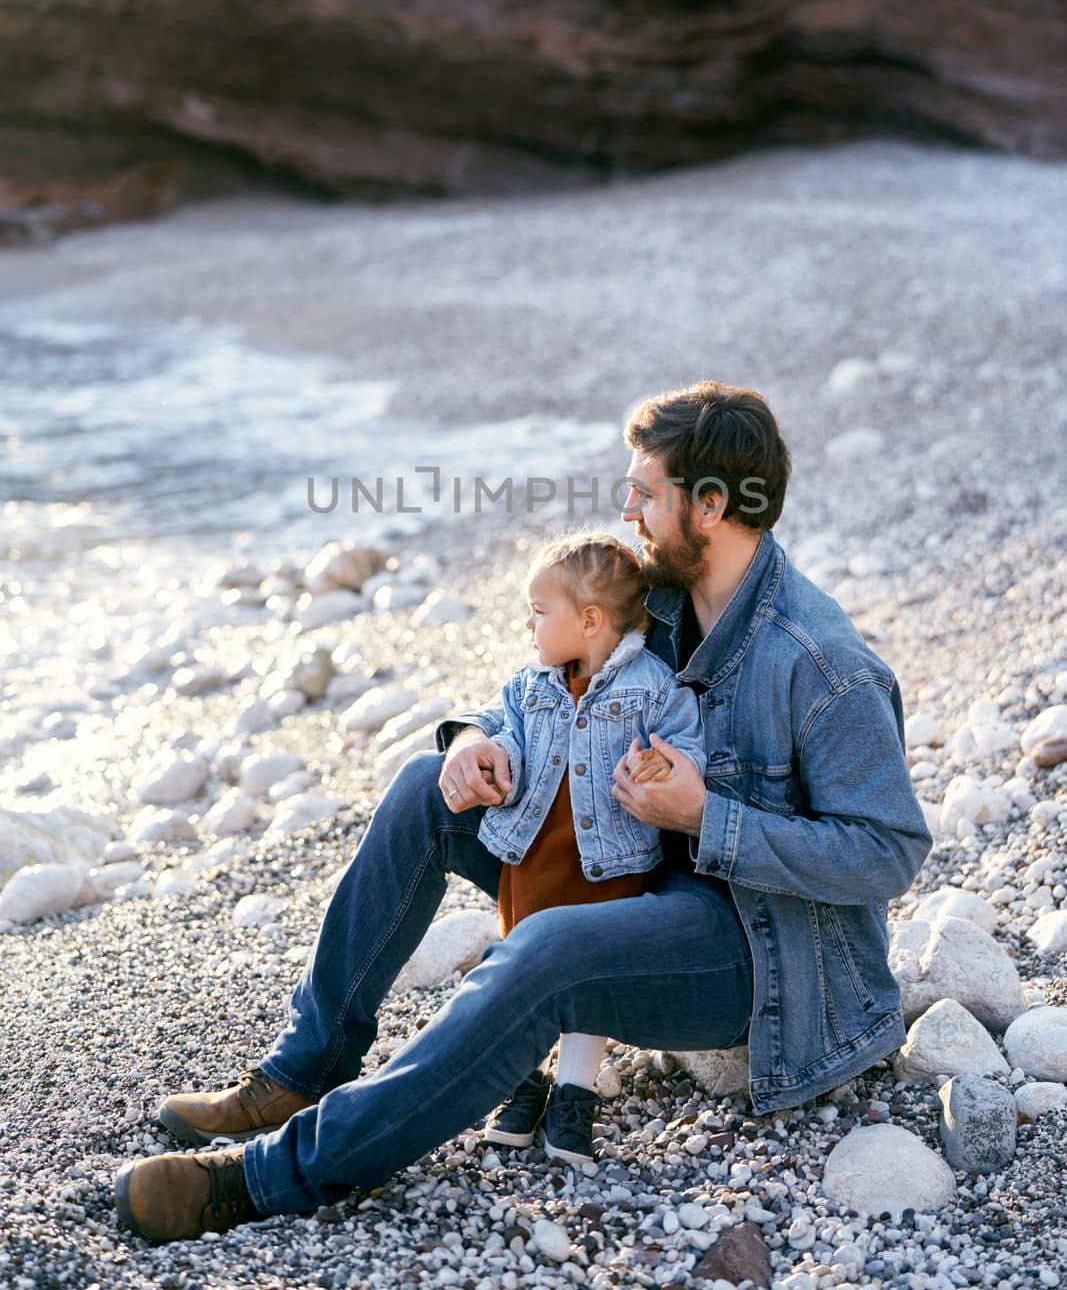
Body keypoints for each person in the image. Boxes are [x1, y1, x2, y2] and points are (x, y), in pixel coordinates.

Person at [115, 379, 934, 1243]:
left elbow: (888, 852)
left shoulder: (821, 661)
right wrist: (476, 740)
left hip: (755, 949)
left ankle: (274, 1176)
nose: (627, 510)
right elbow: (536, 690)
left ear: (711, 505)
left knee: (546, 951)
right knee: (420, 787)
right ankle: (303, 1068)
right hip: (627, 864)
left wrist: (705, 817)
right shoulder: (648, 598)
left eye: (644, 493)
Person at [471, 528, 706, 1169]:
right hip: (534, 854)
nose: (528, 624)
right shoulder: (531, 681)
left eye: (540, 612)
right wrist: (484, 749)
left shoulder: (652, 684)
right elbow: (498, 726)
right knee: (521, 959)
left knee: (586, 981)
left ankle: (574, 1098)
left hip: (609, 860)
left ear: (591, 619)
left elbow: (686, 741)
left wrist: (671, 766)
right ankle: (523, 1082)